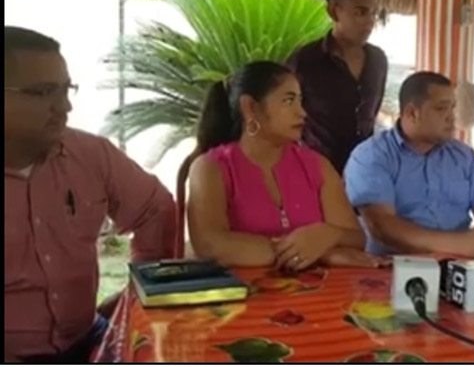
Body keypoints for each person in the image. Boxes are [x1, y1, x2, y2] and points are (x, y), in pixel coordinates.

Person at [4, 26, 177, 362]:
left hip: (91, 338)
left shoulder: (90, 155)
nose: (64, 106)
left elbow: (155, 208)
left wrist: (140, 288)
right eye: (44, 92)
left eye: (66, 89)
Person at [185, 61, 383, 271]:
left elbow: (356, 239)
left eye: (300, 101)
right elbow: (210, 245)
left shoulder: (317, 165)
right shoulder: (210, 168)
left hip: (320, 290)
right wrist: (313, 252)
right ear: (249, 107)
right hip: (242, 291)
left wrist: (328, 234)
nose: (302, 113)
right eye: (288, 101)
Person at [344, 72, 474, 257]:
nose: (451, 117)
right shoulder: (372, 156)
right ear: (412, 113)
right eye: (441, 109)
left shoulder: (466, 158)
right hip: (393, 265)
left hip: (459, 265)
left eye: (453, 108)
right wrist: (460, 244)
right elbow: (381, 227)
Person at [287, 0, 388, 174]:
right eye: (360, 12)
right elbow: (283, 120)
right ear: (334, 12)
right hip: (315, 175)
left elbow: (371, 116)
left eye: (373, 13)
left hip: (364, 176)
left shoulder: (378, 61)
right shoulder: (305, 61)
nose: (370, 21)